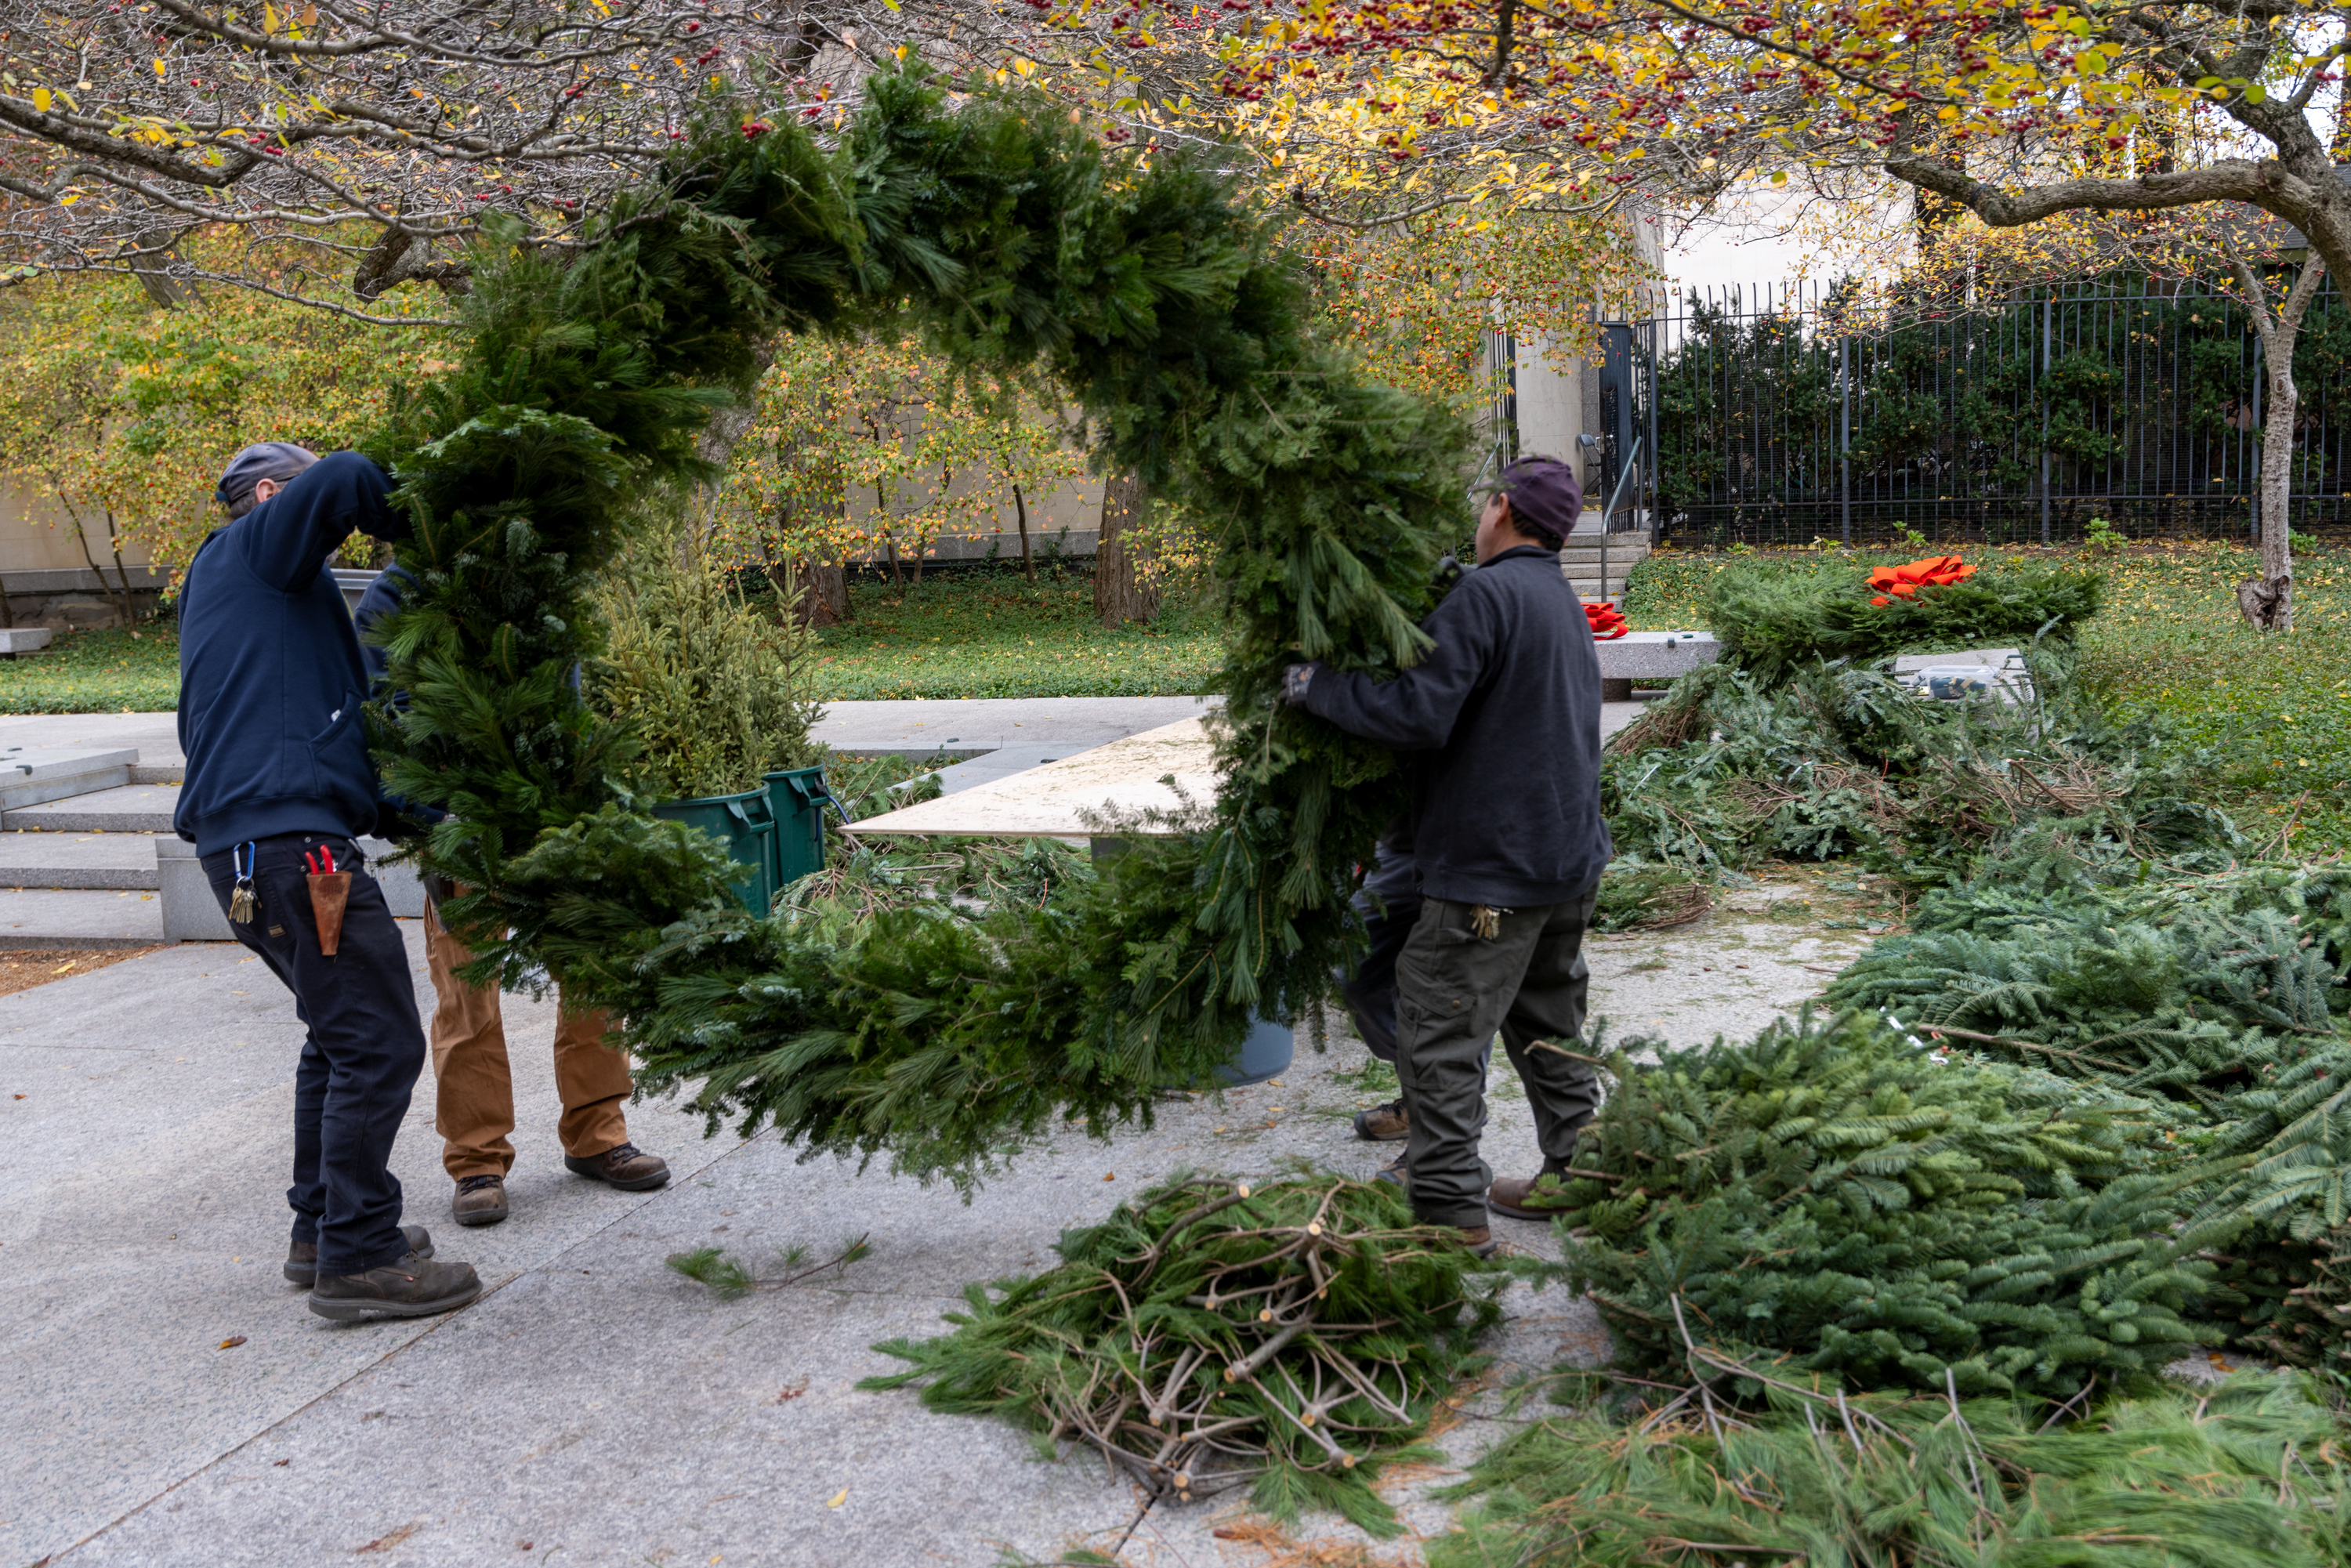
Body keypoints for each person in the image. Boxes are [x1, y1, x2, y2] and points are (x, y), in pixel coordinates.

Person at [178, 442, 481, 1320]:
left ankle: (320, 1232)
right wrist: (434, 529)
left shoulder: (268, 605)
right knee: (380, 1042)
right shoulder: (252, 551)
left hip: (263, 848)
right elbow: (349, 472)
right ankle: (360, 1255)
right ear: (271, 495)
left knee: (337, 1038)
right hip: (292, 852)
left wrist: (425, 825)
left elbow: (328, 751)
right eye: (295, 492)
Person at [1286, 455, 1610, 1251]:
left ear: (1501, 508)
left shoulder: (1487, 595)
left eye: (1482, 504)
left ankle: (1447, 1218)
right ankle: (1581, 1176)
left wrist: (1315, 688)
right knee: (1550, 1030)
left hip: (1490, 875)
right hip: (1564, 865)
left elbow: (1419, 715)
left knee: (1439, 1037)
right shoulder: (1556, 599)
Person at [355, 571, 672, 1229]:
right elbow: (382, 709)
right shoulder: (399, 592)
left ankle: (599, 1134)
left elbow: (568, 692)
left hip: (550, 812)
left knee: (593, 967)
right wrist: (430, 814)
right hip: (453, 823)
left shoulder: (532, 566)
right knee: (466, 992)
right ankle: (476, 1159)